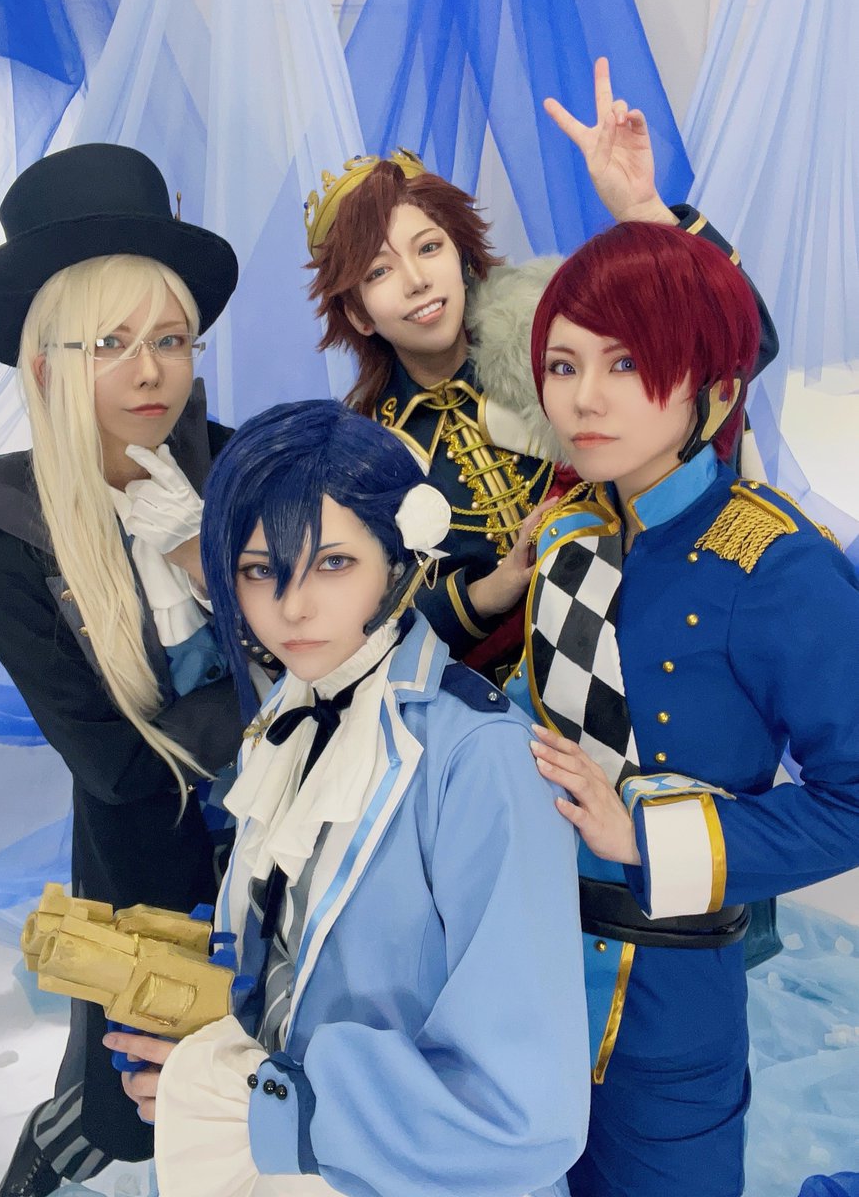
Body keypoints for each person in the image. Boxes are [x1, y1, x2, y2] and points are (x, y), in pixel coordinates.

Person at [105, 399, 590, 1197]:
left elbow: (527, 1113)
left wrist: (267, 1107)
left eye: (333, 563)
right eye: (259, 570)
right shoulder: (286, 713)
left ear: (398, 560)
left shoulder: (481, 758)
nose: (292, 606)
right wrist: (198, 1022)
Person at [501, 221, 859, 1196]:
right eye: (564, 364)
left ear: (718, 388)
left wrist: (646, 837)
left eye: (626, 362)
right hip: (524, 977)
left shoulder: (776, 564)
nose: (584, 397)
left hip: (667, 995)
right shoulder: (570, 534)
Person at [0, 143, 245, 1197]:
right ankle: (43, 1157)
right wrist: (269, 686)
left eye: (170, 340)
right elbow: (117, 767)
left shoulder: (247, 468)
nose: (151, 371)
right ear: (45, 366)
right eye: (111, 343)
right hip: (152, 873)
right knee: (132, 1111)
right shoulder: (1, 555)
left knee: (264, 1093)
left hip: (301, 848)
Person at [305, 58, 777, 683]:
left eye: (429, 247)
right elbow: (366, 622)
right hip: (492, 696)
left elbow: (743, 345)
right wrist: (490, 592)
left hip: (656, 626)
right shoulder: (362, 449)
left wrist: (645, 210)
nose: (416, 280)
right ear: (358, 314)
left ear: (461, 253)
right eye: (379, 271)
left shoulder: (567, 336)